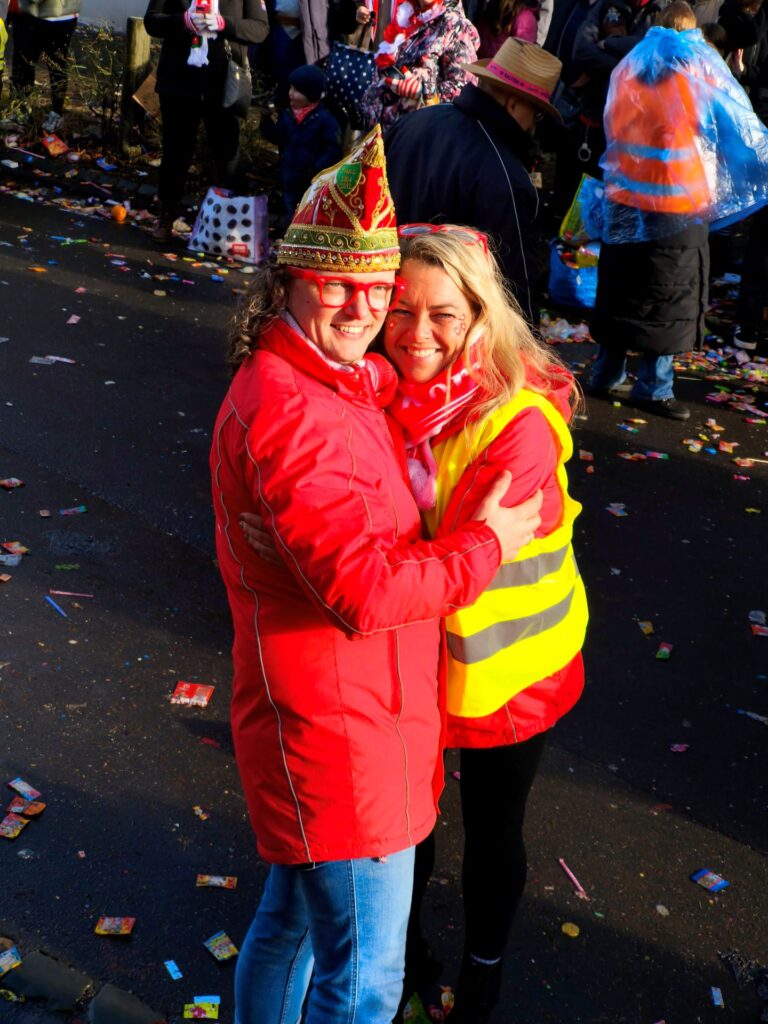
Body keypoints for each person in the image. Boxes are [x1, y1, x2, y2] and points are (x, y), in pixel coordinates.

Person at [210, 127, 541, 1024]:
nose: (363, 310)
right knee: (362, 987)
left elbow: (380, 408)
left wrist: (466, 373)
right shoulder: (298, 413)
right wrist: (488, 545)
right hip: (343, 744)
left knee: (288, 930)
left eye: (377, 289)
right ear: (289, 281)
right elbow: (367, 591)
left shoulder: (324, 378)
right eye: (338, 286)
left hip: (333, 722)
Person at [380, 225, 587, 1023]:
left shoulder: (518, 424)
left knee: (492, 832)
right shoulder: (386, 390)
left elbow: (452, 555)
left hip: (511, 672)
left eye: (442, 314)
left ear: (479, 317)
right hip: (420, 658)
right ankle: (405, 959)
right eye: (400, 310)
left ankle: (482, 982)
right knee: (413, 827)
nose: (417, 334)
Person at [385, 38, 564, 323]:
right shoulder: (505, 172)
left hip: (382, 299)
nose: (533, 126)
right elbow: (514, 282)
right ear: (513, 103)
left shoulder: (417, 121)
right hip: (444, 323)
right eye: (536, 114)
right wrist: (529, 352)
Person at [588, 3, 710, 420]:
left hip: (626, 197)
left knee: (622, 286)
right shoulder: (694, 77)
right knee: (667, 292)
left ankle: (605, 373)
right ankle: (654, 387)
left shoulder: (630, 70)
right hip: (676, 204)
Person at [144, 0, 269, 244]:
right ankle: (167, 215)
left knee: (227, 153)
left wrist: (224, 24)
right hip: (179, 81)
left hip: (223, 83)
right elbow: (152, 21)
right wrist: (182, 20)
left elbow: (260, 29)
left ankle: (238, 225)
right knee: (175, 152)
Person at [360, 0, 480, 131]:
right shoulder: (408, 16)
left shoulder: (455, 26)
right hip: (385, 135)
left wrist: (424, 94)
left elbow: (463, 96)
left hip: (418, 138)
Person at [260, 64, 342, 228]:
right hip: (289, 171)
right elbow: (279, 136)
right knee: (291, 203)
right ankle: (290, 233)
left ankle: (299, 236)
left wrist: (317, 168)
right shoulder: (288, 114)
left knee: (308, 208)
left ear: (310, 94)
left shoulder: (324, 120)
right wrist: (266, 122)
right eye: (291, 88)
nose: (290, 93)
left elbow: (332, 149)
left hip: (311, 176)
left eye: (297, 90)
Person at [10, 0, 80, 132]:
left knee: (53, 66)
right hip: (36, 14)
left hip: (54, 16)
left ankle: (54, 113)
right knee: (25, 64)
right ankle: (23, 111)